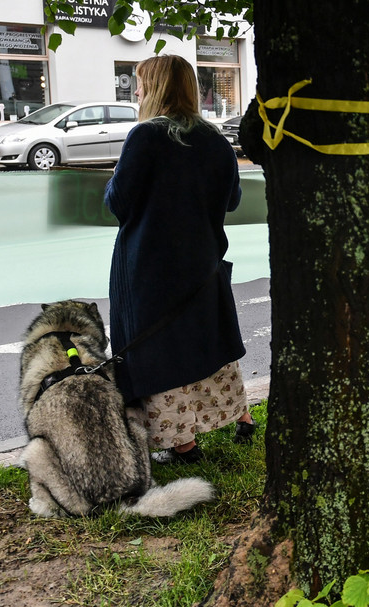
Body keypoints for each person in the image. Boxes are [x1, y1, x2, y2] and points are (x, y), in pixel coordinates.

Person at [105, 54, 256, 464]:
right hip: (202, 265)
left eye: (140, 83)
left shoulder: (145, 138)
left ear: (155, 88)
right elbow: (232, 200)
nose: (136, 91)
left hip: (150, 271)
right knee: (206, 342)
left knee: (156, 350)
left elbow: (117, 203)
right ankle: (239, 414)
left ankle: (183, 444)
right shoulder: (215, 140)